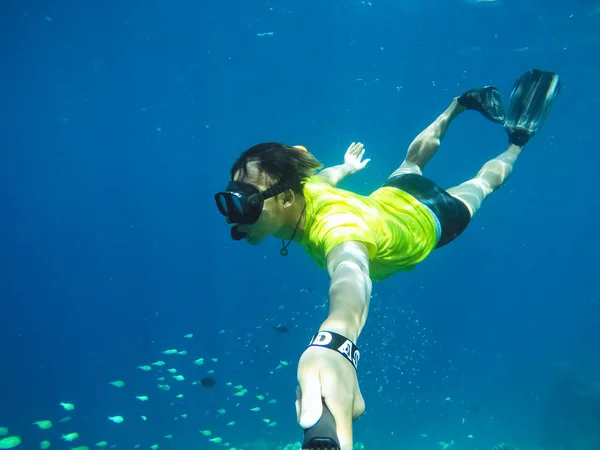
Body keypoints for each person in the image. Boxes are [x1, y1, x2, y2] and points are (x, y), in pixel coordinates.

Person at [214, 69, 560, 450]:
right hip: (393, 196)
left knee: (483, 184)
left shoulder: (336, 227)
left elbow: (351, 278)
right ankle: (458, 105)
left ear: (283, 199)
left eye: (244, 201)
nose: (232, 214)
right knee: (413, 161)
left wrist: (334, 344)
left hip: (433, 220)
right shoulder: (304, 187)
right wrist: (347, 166)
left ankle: (516, 143)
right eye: (229, 199)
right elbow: (324, 177)